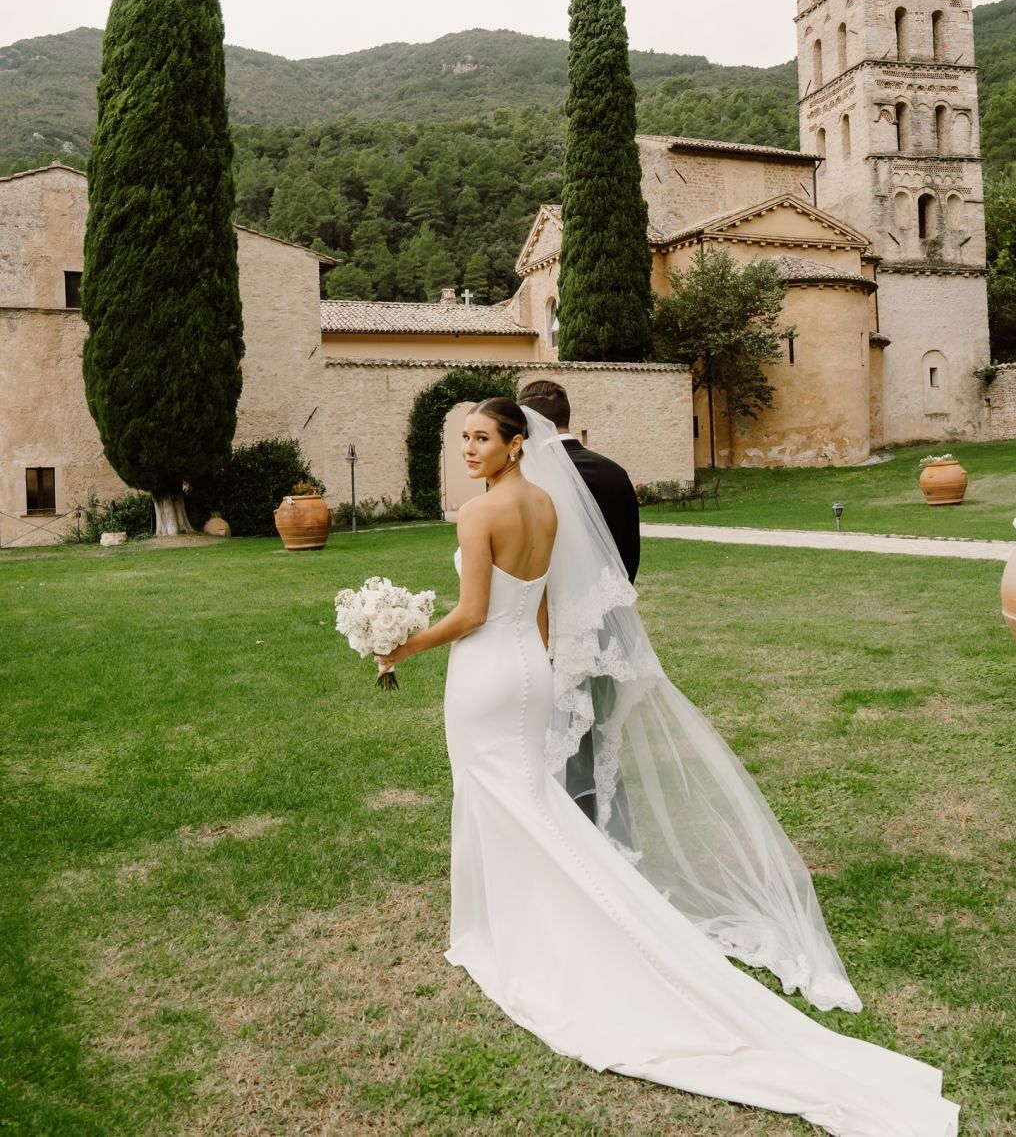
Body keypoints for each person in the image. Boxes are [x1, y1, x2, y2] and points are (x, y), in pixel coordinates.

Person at [376, 399, 959, 1137]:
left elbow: (469, 614)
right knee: (529, 797)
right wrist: (544, 666)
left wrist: (400, 645)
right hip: (530, 666)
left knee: (498, 795)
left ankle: (508, 930)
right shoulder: (549, 505)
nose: (468, 449)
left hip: (486, 672)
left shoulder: (478, 512)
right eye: (463, 438)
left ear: (516, 444)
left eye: (482, 438)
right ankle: (531, 916)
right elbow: (544, 608)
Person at [518, 379, 638, 845]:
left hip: (550, 633)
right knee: (604, 743)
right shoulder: (614, 472)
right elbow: (628, 560)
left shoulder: (531, 481)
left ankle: (572, 845)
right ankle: (614, 839)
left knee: (558, 744)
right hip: (610, 632)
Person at [518, 379, 640, 582]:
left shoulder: (527, 475)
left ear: (529, 423)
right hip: (612, 592)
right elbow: (629, 548)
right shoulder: (616, 472)